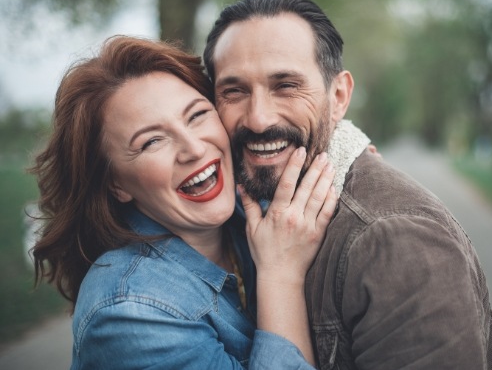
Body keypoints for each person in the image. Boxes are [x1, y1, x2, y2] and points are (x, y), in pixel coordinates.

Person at [203, 0, 492, 369]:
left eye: (286, 86)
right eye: (234, 91)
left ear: (338, 97)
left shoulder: (397, 241)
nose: (259, 119)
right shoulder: (240, 205)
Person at [30, 35, 339, 369]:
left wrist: (354, 158)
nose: (193, 148)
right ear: (116, 184)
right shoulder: (130, 312)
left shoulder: (246, 208)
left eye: (196, 115)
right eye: (152, 141)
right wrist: (280, 274)